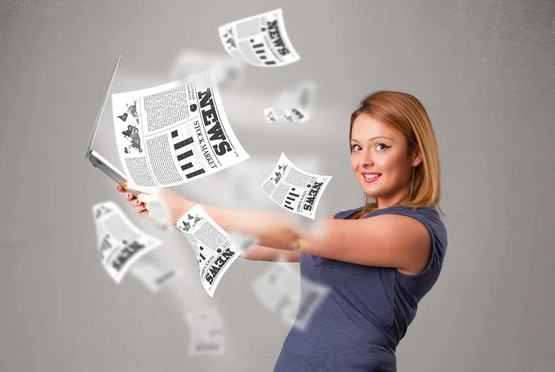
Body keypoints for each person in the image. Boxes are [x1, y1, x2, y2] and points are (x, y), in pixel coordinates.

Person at [117, 90, 448, 372]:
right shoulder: (348, 220)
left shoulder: (413, 231)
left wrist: (190, 209)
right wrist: (175, 219)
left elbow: (295, 234)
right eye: (356, 147)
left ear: (416, 153)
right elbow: (250, 246)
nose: (364, 160)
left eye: (381, 146)